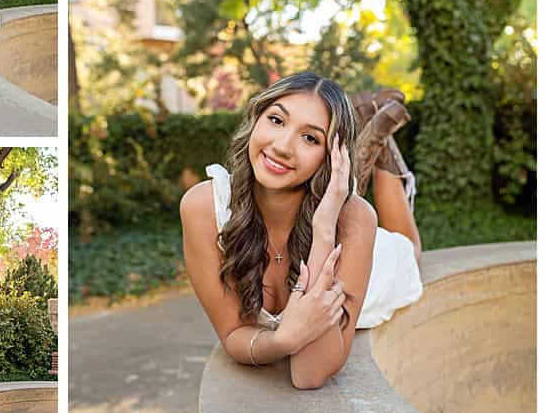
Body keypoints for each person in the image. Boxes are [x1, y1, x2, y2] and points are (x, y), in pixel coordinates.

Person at [180, 72, 423, 391]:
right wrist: (283, 341)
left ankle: (380, 147)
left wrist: (324, 230)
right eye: (277, 120)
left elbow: (310, 374)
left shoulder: (355, 221)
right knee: (341, 199)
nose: (281, 147)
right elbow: (232, 335)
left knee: (410, 250)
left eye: (310, 138)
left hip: (360, 253)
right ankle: (366, 141)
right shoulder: (202, 208)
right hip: (327, 195)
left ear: (330, 157)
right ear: (256, 118)